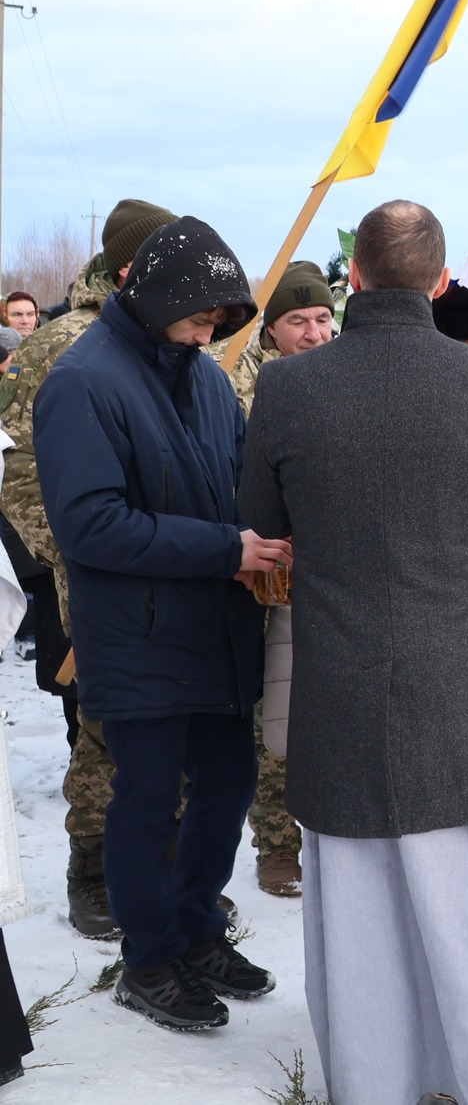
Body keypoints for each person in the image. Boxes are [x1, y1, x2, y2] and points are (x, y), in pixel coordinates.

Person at [239, 200, 468, 1103]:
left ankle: (379, 1085)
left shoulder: (290, 388)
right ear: (440, 280)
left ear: (355, 278)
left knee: (360, 941)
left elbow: (259, 517)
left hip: (342, 701)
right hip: (457, 703)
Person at [36, 216, 279, 1031]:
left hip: (215, 626)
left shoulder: (204, 377)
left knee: (227, 784)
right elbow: (89, 524)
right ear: (162, 295)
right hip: (139, 635)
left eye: (221, 319)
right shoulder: (82, 381)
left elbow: (241, 473)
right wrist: (226, 548)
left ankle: (197, 929)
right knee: (146, 799)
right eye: (205, 313)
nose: (213, 329)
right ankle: (147, 956)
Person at [0, 197, 176, 940]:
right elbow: (17, 469)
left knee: (175, 720)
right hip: (101, 569)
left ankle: (160, 871)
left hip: (176, 561)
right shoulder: (65, 342)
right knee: (108, 727)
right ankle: (95, 874)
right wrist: (74, 549)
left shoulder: (169, 337)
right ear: (132, 265)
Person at [212, 260, 338, 901]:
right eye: (298, 320)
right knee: (271, 714)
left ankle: (326, 832)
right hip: (254, 568)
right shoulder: (238, 384)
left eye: (322, 317)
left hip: (324, 574)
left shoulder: (343, 379)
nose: (314, 332)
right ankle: (277, 846)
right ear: (270, 331)